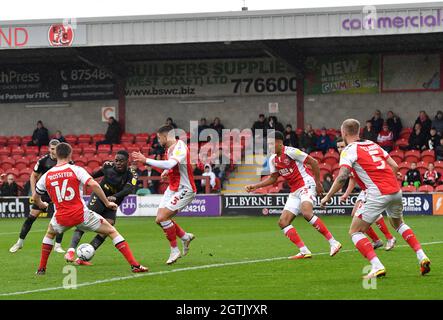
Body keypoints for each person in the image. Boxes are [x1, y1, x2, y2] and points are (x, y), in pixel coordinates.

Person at [321, 119, 430, 279]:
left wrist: (327, 196)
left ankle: (377, 266)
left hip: (377, 193)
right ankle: (422, 256)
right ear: (359, 131)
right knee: (398, 224)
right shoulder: (372, 144)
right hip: (395, 190)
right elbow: (394, 166)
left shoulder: (349, 150)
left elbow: (342, 176)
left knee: (355, 231)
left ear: (343, 133)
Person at [33, 142, 148, 274]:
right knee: (111, 231)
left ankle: (41, 269)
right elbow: (93, 184)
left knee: (49, 234)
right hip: (80, 214)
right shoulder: (75, 169)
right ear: (70, 154)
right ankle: (135, 265)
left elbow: (36, 197)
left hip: (60, 216)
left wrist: (41, 204)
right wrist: (106, 202)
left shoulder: (47, 175)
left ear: (56, 154)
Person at [245, 131, 342, 259]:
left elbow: (313, 162)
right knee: (283, 222)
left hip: (306, 184)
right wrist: (255, 186)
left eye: (271, 144)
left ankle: (333, 242)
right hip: (294, 190)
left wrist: (318, 183)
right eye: (268, 144)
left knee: (306, 212)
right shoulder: (273, 159)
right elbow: (273, 178)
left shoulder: (291, 152)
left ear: (279, 143)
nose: (269, 147)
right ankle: (304, 250)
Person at [132, 125, 196, 265]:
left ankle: (174, 250)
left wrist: (146, 160)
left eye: (159, 137)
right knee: (159, 220)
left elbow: (171, 163)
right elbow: (174, 166)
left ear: (166, 136)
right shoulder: (169, 149)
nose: (158, 140)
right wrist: (168, 172)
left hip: (185, 189)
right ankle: (185, 237)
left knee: (162, 217)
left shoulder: (180, 147)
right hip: (173, 188)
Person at [65, 150, 138, 265]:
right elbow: (94, 176)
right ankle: (71, 251)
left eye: (121, 161)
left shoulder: (131, 174)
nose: (118, 163)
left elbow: (128, 190)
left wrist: (114, 197)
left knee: (108, 227)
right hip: (99, 197)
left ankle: (82, 258)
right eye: (116, 160)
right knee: (83, 222)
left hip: (113, 203)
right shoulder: (108, 166)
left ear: (127, 161)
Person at [336, 138, 396, 251]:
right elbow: (352, 179)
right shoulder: (347, 156)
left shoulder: (352, 153)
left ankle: (389, 237)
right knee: (356, 214)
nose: (340, 149)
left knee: (364, 214)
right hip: (365, 190)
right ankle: (377, 240)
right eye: (338, 147)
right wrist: (346, 194)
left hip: (371, 188)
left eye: (342, 146)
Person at [9, 139, 66, 254]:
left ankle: (58, 245)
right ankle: (19, 242)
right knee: (31, 217)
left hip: (58, 193)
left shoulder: (65, 160)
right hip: (44, 193)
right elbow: (33, 176)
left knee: (61, 218)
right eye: (52, 148)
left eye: (56, 148)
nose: (54, 151)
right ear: (49, 149)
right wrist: (35, 192)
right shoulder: (43, 161)